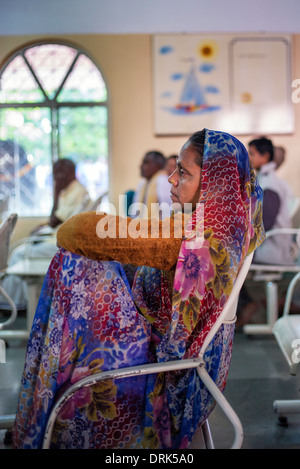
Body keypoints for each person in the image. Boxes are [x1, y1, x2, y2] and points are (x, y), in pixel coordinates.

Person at [12, 129, 264, 449]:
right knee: (95, 267)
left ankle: (45, 414)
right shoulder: (226, 226)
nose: (171, 179)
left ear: (214, 183)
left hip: (165, 361)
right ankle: (43, 409)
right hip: (172, 346)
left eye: (182, 172)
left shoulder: (196, 237)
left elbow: (76, 230)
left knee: (76, 265)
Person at [0, 158, 90, 310]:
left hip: (61, 243)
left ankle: (13, 303)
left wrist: (55, 191)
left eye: (58, 174)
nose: (56, 178)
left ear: (69, 173)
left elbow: (54, 220)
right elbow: (55, 220)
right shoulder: (71, 189)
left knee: (18, 253)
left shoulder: (75, 192)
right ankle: (20, 299)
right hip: (61, 237)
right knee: (22, 249)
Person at [248, 137, 294, 265]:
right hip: (266, 246)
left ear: (265, 156)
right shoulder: (264, 180)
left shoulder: (270, 183)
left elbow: (266, 221)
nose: (249, 158)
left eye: (252, 153)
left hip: (271, 250)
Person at [132, 150, 171, 219]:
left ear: (158, 166)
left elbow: (167, 213)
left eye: (146, 163)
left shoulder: (163, 181)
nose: (141, 166)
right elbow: (134, 212)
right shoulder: (143, 182)